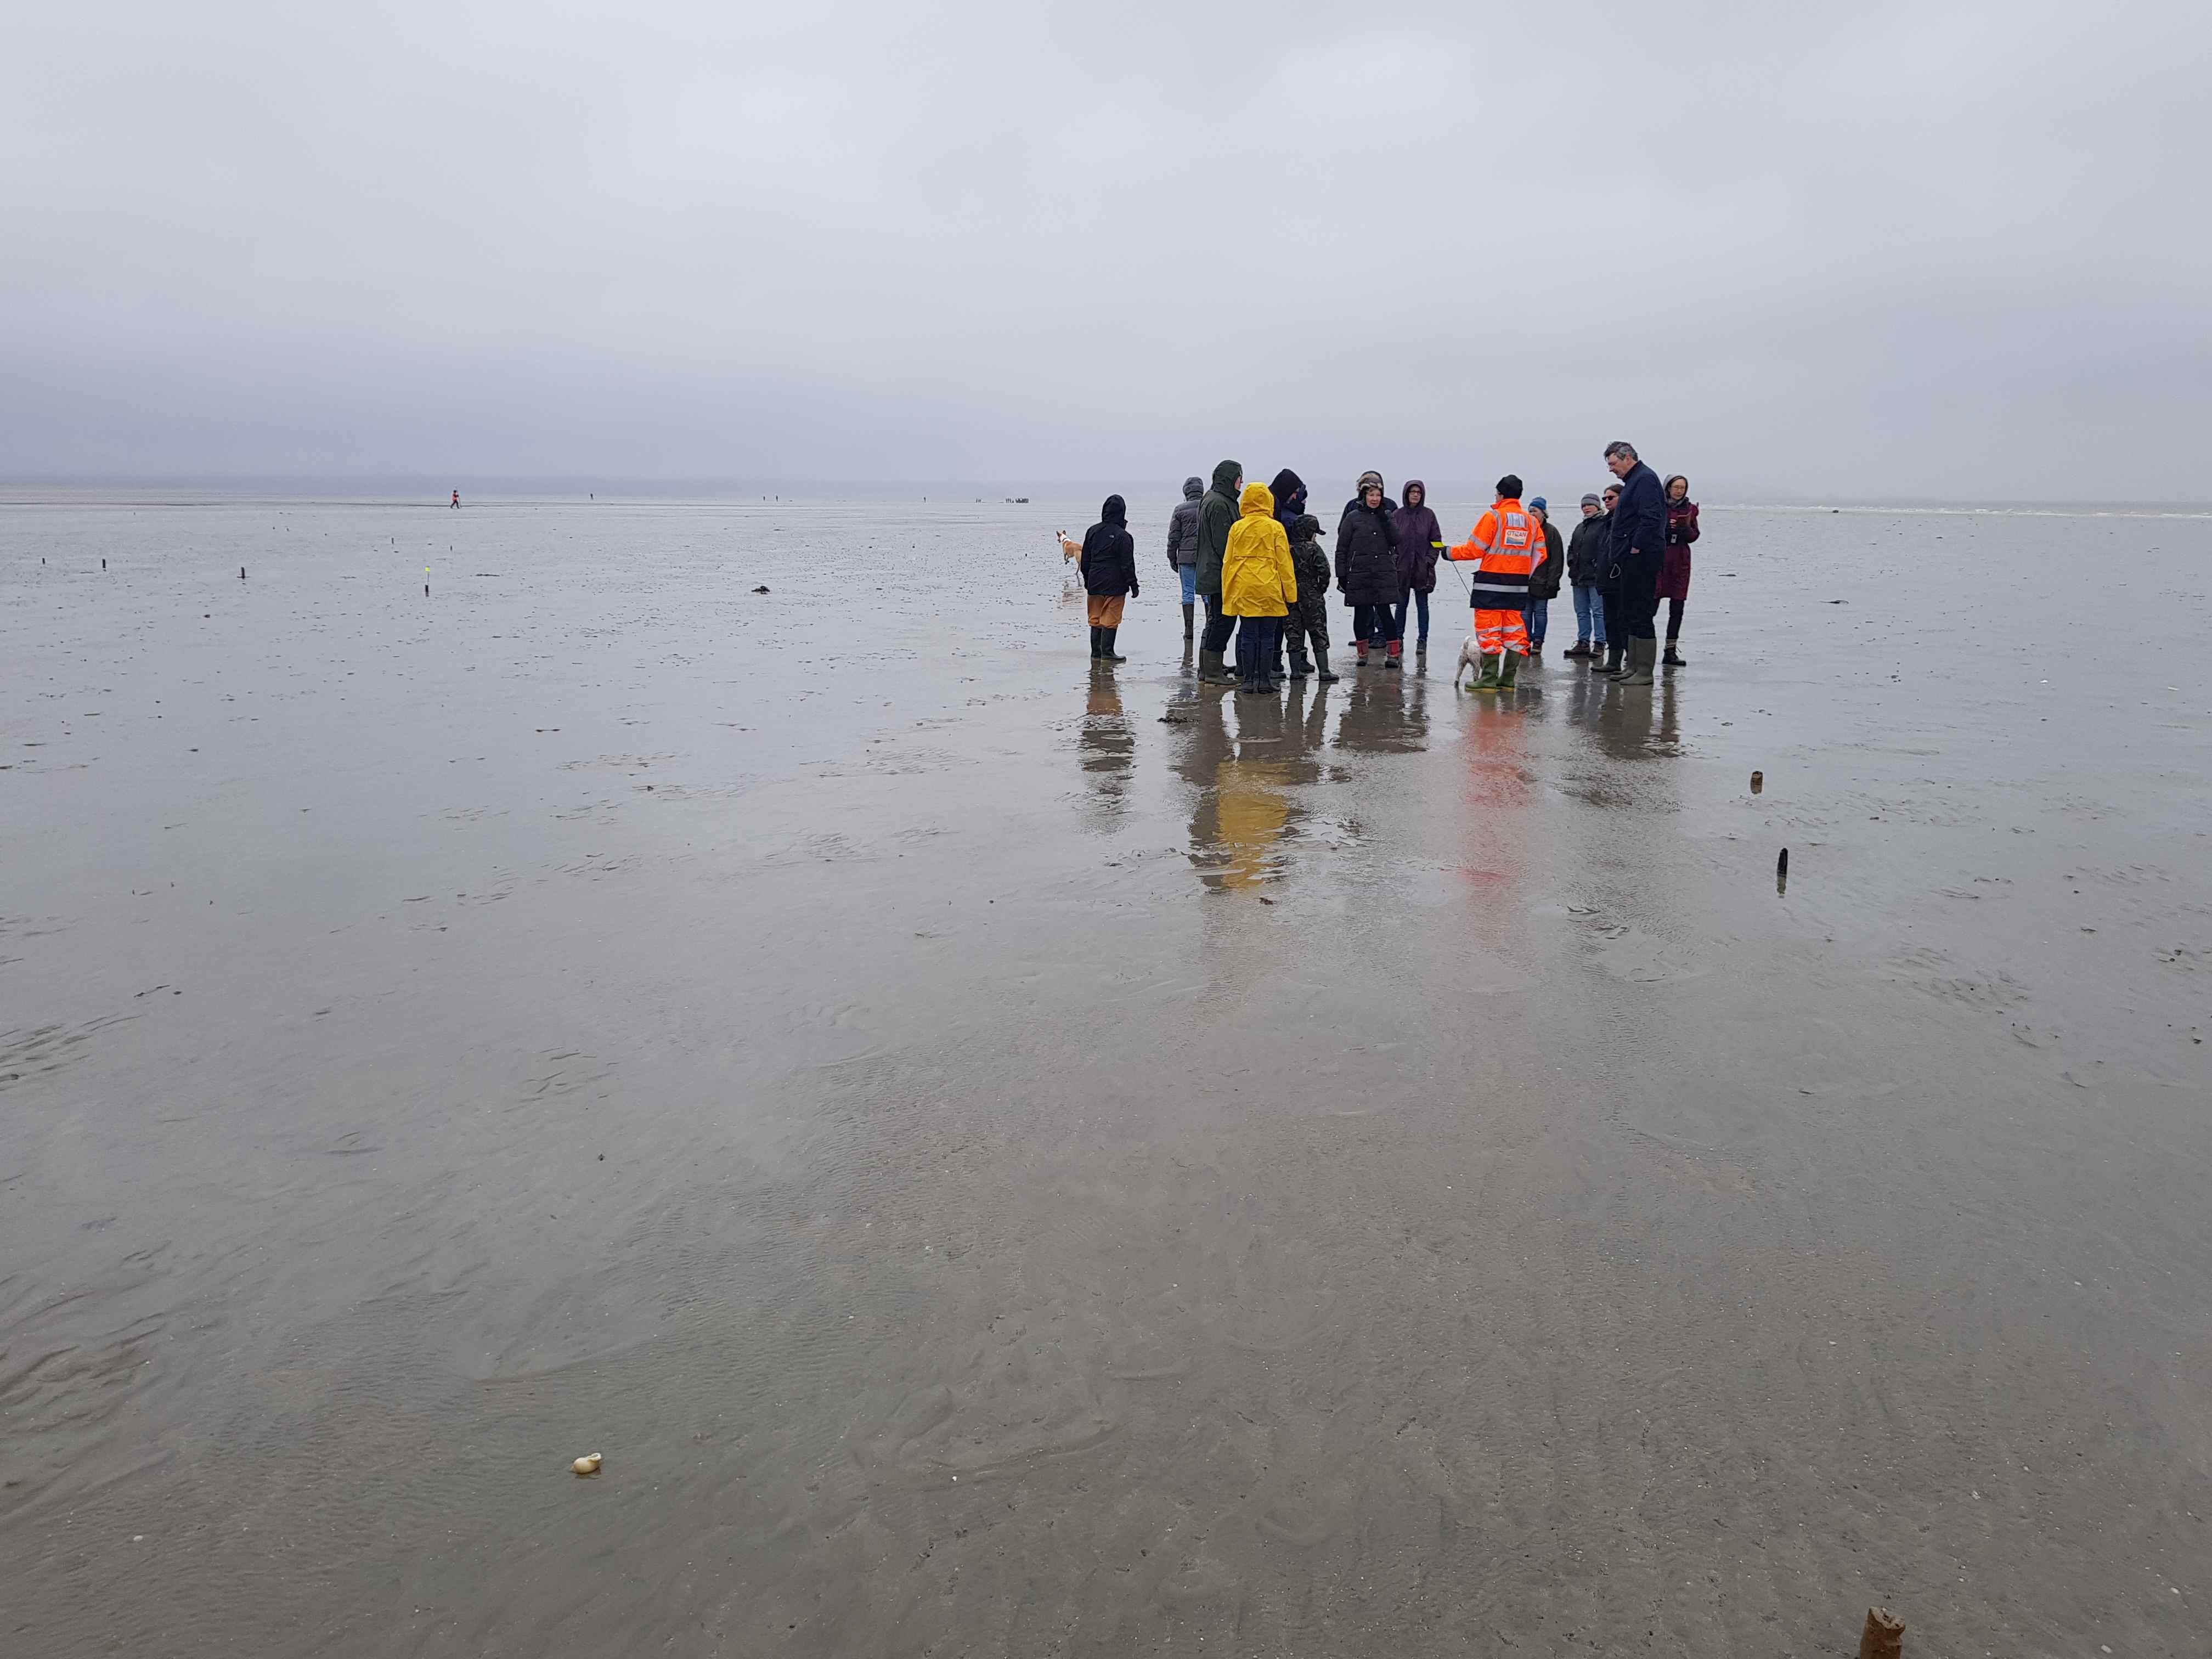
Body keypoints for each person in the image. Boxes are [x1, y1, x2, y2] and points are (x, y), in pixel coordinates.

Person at [1446, 474, 1548, 691]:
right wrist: (1522, 573)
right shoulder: (1531, 522)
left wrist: (1449, 553)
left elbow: (1474, 549)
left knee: (1489, 632)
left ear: (1500, 494)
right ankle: (1508, 680)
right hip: (1518, 588)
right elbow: (1541, 554)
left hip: (1490, 585)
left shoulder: (1493, 517)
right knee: (1515, 632)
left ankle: (1489, 679)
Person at [1602, 441, 1668, 685]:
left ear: (1627, 457)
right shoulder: (1634, 481)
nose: (1611, 470)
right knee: (1629, 611)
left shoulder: (1646, 480)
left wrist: (1636, 547)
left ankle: (1644, 672)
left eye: (1613, 464)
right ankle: (1632, 667)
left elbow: (1651, 519)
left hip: (1642, 557)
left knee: (1641, 611)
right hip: (1629, 557)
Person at [1222, 482, 1295, 694]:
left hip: (1245, 588)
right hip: (1270, 587)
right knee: (1267, 636)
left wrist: (1228, 595)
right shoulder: (1275, 528)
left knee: (1248, 635)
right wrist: (1290, 594)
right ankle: (1264, 681)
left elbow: (1228, 563)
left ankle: (1247, 681)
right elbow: (1284, 563)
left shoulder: (1237, 527)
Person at [1335, 470, 1401, 668]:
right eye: (1371, 495)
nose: (1375, 499)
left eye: (1378, 495)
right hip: (1359, 574)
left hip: (1382, 574)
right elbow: (1342, 548)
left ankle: (1393, 655)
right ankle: (1362, 655)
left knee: (1386, 614)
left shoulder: (1387, 515)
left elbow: (1397, 540)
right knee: (1361, 615)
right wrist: (1341, 574)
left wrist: (1385, 519)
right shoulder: (1353, 517)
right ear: (1364, 496)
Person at [1195, 460, 1243, 685]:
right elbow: (1224, 544)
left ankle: (1208, 669)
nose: (1241, 482)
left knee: (1215, 620)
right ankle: (1212, 672)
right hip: (1219, 573)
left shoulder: (1214, 498)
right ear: (1230, 479)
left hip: (1211, 570)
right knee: (1222, 621)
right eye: (1239, 477)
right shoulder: (1219, 504)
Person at [1077, 494, 1138, 661]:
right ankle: (1108, 652)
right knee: (1111, 618)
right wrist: (1134, 585)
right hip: (1115, 584)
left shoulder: (1092, 531)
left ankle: (1096, 653)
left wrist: (1088, 579)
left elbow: (1085, 560)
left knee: (1095, 618)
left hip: (1095, 582)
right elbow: (1127, 564)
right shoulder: (1123, 536)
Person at [1390, 481, 1444, 654]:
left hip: (1423, 568)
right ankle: (1398, 639)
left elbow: (1436, 541)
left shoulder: (1429, 515)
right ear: (1406, 494)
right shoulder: (1397, 515)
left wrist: (1430, 560)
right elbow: (1391, 542)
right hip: (1402, 568)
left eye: (1418, 493)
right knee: (1401, 605)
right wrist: (1395, 560)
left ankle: (1423, 640)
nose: (1415, 495)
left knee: (1423, 605)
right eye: (1412, 492)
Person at [1283, 513, 1338, 682]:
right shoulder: (1314, 549)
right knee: (1318, 632)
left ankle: (1295, 672)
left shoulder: (1288, 549)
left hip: (1291, 595)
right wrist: (1319, 589)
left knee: (1294, 633)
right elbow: (1325, 572)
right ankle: (1324, 671)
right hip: (1312, 595)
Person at [1564, 492, 1611, 659]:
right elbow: (1572, 548)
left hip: (1596, 577)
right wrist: (1571, 563)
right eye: (1584, 506)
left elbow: (1606, 548)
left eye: (1590, 505)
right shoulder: (1580, 527)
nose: (1586, 508)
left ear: (1598, 506)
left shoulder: (1604, 524)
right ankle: (1583, 642)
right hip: (1578, 576)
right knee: (1581, 611)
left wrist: (1598, 566)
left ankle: (1600, 643)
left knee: (1598, 611)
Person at [1660, 474, 1699, 667]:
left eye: (1683, 488)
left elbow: (1694, 535)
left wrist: (1684, 529)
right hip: (1660, 559)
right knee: (1649, 605)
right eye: (1676, 487)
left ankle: (1670, 650)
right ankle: (1638, 648)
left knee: (1677, 607)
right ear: (1668, 488)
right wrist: (1667, 529)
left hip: (1681, 560)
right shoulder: (1659, 506)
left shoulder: (1690, 509)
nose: (1679, 491)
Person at [1590, 482, 1623, 672]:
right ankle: (1613, 661)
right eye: (1605, 498)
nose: (1607, 501)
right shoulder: (1606, 521)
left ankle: (1624, 660)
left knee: (1621, 620)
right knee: (1610, 620)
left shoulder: (1624, 519)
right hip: (1605, 577)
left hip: (1619, 577)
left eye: (1611, 497)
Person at [1525, 497, 1564, 658]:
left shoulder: (1552, 532)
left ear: (1543, 513)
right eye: (1530, 511)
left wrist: (1552, 581)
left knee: (1540, 612)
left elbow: (1557, 558)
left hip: (1543, 581)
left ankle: (1538, 641)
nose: (1532, 514)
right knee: (1525, 613)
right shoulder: (1525, 531)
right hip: (1525, 580)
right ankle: (1525, 641)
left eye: (1535, 511)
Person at [1166, 476, 1204, 640]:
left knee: (1187, 594)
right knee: (1207, 593)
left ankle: (1189, 631)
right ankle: (1209, 628)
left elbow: (1174, 537)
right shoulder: (1208, 506)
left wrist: (1172, 558)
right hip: (1205, 557)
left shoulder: (1180, 509)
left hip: (1185, 557)